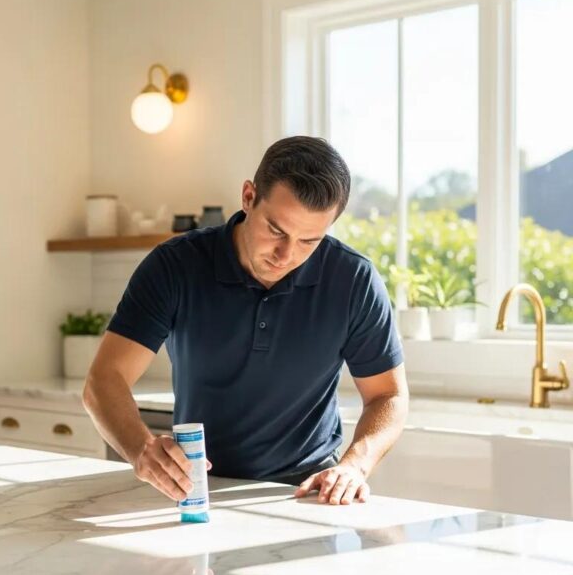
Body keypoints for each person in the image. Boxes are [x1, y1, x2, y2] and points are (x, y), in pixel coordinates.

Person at [83, 136, 408, 506]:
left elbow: (388, 395)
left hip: (305, 492)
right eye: (277, 230)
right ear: (249, 197)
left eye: (309, 241)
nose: (287, 255)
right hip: (198, 488)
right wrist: (140, 449)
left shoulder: (353, 280)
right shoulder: (174, 266)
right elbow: (103, 380)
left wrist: (355, 466)